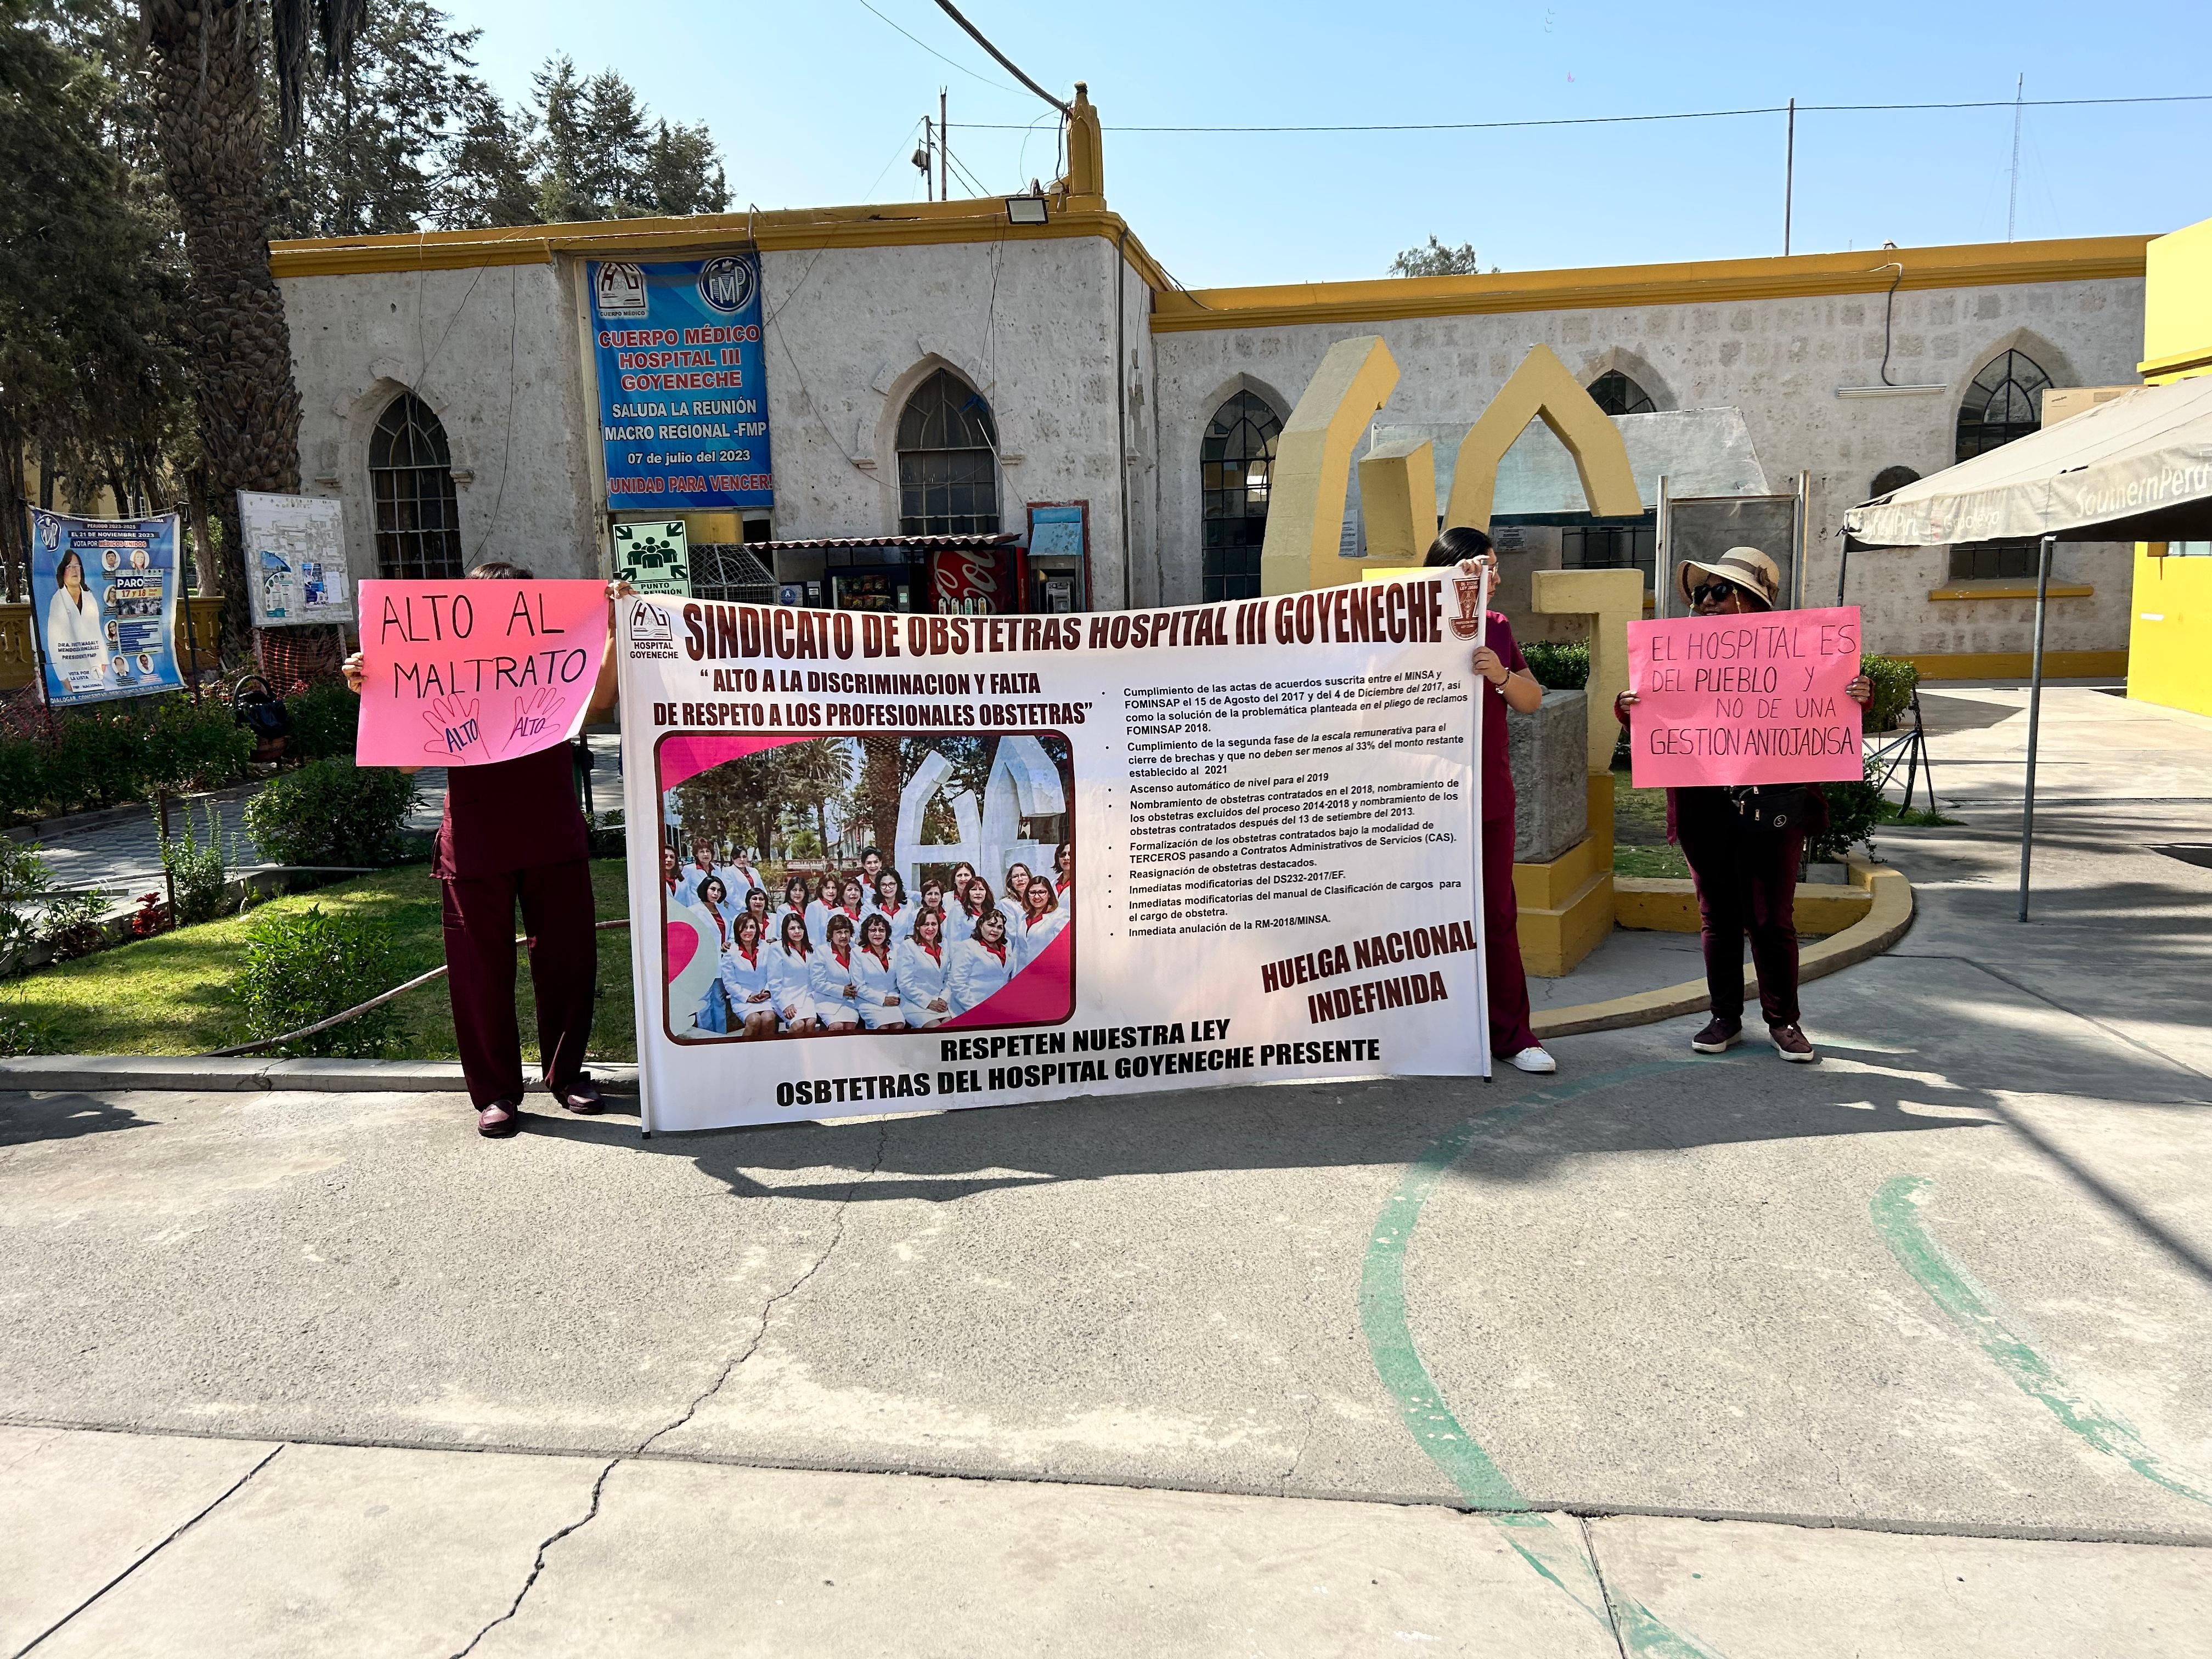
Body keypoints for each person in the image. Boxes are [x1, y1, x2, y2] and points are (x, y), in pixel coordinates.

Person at [342, 561, 617, 1138]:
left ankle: (567, 1076)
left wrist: (612, 623)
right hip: (474, 837)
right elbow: (406, 759)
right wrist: (378, 686)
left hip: (550, 829)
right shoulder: (451, 669)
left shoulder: (554, 660)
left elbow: (601, 700)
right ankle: (495, 1093)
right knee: (477, 973)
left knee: (568, 960)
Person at [1617, 546, 1872, 1063]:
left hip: (1775, 803)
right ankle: (1724, 1017)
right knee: (1718, 916)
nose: (1706, 602)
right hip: (1702, 806)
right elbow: (1665, 723)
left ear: (1753, 601)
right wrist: (1631, 712)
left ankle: (1783, 1021)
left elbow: (1822, 717)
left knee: (1771, 918)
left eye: (1720, 591)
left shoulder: (1801, 657)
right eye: (1701, 593)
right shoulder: (1678, 655)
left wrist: (1856, 697)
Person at [1427, 526, 1556, 1076]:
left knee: (1496, 915)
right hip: (1421, 804)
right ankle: (1429, 1032)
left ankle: (1513, 1035)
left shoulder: (1498, 630)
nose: (1497, 577)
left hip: (1486, 801)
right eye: (1485, 566)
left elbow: (1531, 699)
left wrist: (1500, 675)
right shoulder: (1410, 630)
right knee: (1424, 916)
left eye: (1497, 566)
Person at [719, 913, 778, 1038]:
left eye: (752, 927)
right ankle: (744, 1053)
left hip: (765, 997)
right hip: (743, 1000)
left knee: (769, 1018)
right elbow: (730, 983)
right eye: (744, 927)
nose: (749, 931)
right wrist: (748, 996)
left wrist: (768, 991)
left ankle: (768, 1053)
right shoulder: (731, 953)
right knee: (754, 1020)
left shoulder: (767, 948)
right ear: (737, 930)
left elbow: (774, 974)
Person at [895, 908, 955, 1029]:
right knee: (937, 1030)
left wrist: (944, 998)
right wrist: (929, 1002)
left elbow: (950, 976)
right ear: (918, 927)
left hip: (940, 1002)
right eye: (925, 924)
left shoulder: (945, 944)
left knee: (953, 1027)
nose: (930, 928)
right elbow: (905, 983)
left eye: (934, 924)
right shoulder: (908, 946)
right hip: (916, 1003)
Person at [949, 906, 1014, 1015]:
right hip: (969, 1008)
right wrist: (977, 1009)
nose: (995, 930)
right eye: (991, 925)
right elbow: (957, 984)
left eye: (1000, 927)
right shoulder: (967, 947)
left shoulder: (1007, 946)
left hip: (998, 1007)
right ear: (980, 925)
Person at [853, 913, 908, 1030]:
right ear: (866, 933)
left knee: (899, 1025)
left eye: (881, 930)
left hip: (892, 998)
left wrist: (893, 998)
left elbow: (903, 979)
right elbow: (858, 987)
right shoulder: (857, 953)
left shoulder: (897, 949)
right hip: (868, 1001)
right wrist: (883, 999)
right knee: (882, 1027)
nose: (877, 934)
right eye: (873, 930)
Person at [811, 912, 864, 1030]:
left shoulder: (857, 951)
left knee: (851, 1026)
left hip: (851, 1001)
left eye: (846, 932)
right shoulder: (822, 952)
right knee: (837, 1026)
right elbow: (817, 983)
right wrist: (842, 990)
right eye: (839, 932)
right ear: (831, 935)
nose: (843, 936)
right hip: (828, 1000)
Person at [768, 912, 819, 1033]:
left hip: (807, 997)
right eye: (792, 928)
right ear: (785, 931)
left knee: (811, 1023)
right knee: (798, 1025)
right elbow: (774, 982)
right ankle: (787, 1050)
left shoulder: (812, 946)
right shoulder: (777, 948)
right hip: (786, 996)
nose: (797, 931)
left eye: (800, 927)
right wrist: (785, 1005)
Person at [1014, 877, 1067, 970]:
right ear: (1028, 895)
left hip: (1046, 974)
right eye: (1033, 893)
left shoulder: (1060, 916)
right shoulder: (1023, 918)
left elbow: (1062, 951)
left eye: (1042, 892)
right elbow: (1018, 950)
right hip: (1022, 975)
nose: (1037, 897)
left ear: (1050, 894)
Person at [871, 869, 915, 945]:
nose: (888, 888)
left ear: (898, 884)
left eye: (892, 884)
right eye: (883, 885)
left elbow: (912, 931)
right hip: (880, 950)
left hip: (904, 950)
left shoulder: (909, 904)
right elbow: (866, 931)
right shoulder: (870, 905)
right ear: (879, 887)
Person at [695, 876, 733, 952]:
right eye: (713, 889)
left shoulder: (724, 911)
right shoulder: (694, 911)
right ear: (705, 889)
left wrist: (728, 943)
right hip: (704, 955)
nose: (716, 893)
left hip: (724, 956)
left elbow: (731, 933)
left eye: (719, 891)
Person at [805, 871, 841, 951]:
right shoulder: (814, 907)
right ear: (821, 890)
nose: (831, 892)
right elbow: (812, 938)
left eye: (834, 888)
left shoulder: (839, 908)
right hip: (821, 952)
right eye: (827, 888)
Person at [1053, 842, 1074, 916]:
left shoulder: (1082, 884)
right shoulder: (1052, 884)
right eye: (1063, 855)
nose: (1066, 858)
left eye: (1071, 854)